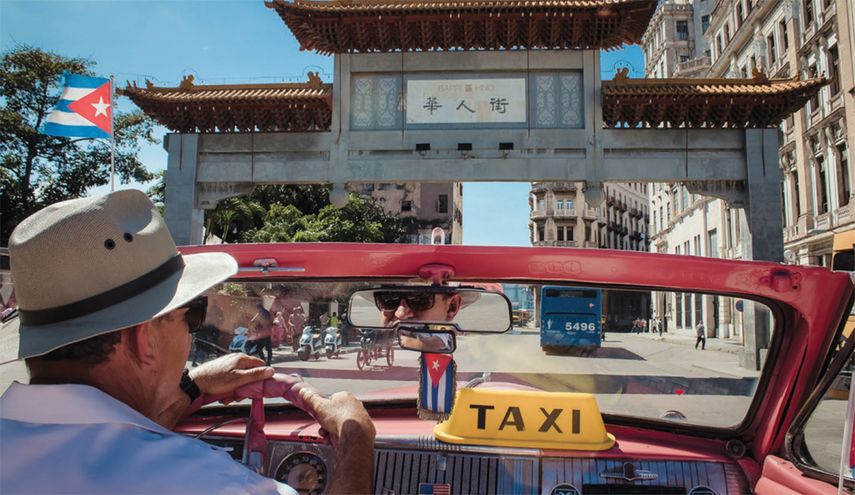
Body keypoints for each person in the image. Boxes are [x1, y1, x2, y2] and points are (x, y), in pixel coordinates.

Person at [0, 190, 375, 494]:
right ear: (142, 338)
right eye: (189, 316)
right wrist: (356, 440)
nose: (190, 332)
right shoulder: (211, 482)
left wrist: (190, 386)